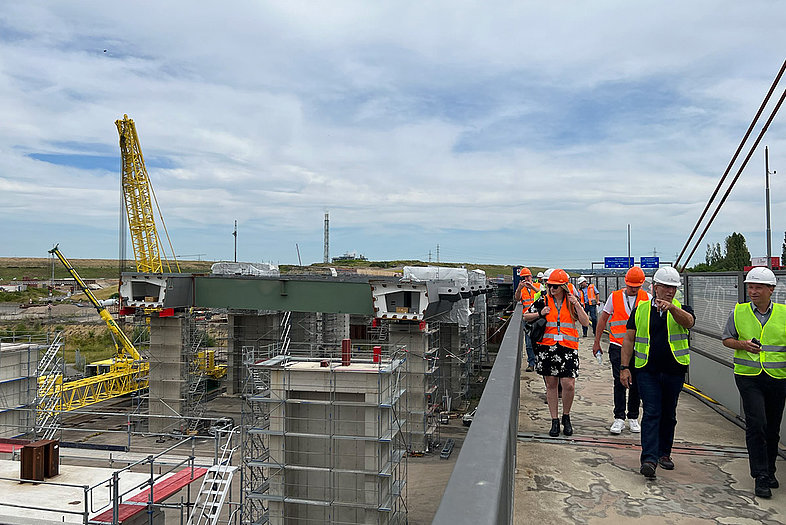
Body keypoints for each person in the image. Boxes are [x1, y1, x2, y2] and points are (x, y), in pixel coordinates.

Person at [620, 266, 694, 479]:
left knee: (669, 414)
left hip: (674, 370)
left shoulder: (682, 308)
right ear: (655, 287)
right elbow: (629, 339)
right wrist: (624, 368)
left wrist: (672, 309)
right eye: (665, 287)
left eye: (673, 288)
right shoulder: (641, 309)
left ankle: (664, 453)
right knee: (652, 412)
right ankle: (649, 459)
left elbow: (689, 322)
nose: (670, 291)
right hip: (647, 370)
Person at [722, 267, 786, 498]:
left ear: (771, 289)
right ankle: (760, 476)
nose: (753, 291)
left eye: (758, 287)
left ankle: (770, 470)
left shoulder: (784, 313)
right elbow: (726, 339)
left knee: (772, 427)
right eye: (750, 287)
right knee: (756, 423)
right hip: (748, 377)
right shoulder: (738, 312)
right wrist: (743, 345)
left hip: (777, 378)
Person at [524, 269, 590, 437]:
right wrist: (540, 313)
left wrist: (577, 304)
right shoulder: (543, 300)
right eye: (549, 286)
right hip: (547, 347)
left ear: (563, 287)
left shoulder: (571, 301)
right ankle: (554, 420)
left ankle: (566, 416)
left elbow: (585, 322)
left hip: (568, 348)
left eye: (555, 286)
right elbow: (526, 316)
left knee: (569, 384)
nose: (551, 289)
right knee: (551, 385)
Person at [593, 266, 650, 435]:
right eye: (631, 286)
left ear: (641, 285)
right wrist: (597, 342)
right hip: (617, 346)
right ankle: (619, 417)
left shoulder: (647, 298)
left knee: (636, 382)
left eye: (636, 286)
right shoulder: (615, 297)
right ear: (626, 283)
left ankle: (633, 416)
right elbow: (603, 319)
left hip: (638, 347)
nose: (633, 289)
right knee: (619, 381)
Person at [516, 267, 540, 372]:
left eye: (527, 277)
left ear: (531, 276)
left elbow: (543, 294)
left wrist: (532, 287)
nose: (526, 279)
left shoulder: (538, 286)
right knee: (529, 343)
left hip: (538, 317)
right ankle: (531, 363)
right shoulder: (522, 289)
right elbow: (517, 298)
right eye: (524, 277)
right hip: (527, 319)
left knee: (540, 341)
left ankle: (539, 362)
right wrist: (519, 289)